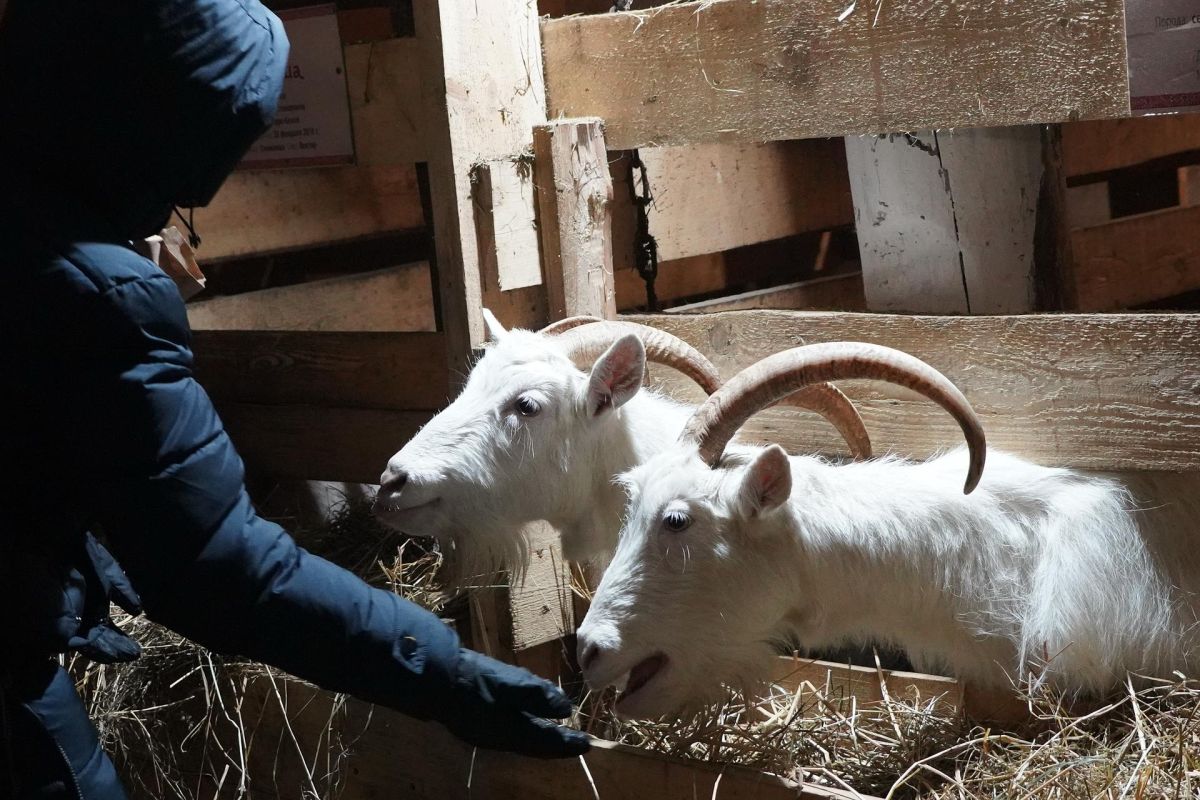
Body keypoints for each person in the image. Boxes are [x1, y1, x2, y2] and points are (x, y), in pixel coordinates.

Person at [0, 1, 589, 797]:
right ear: (160, 132)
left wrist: (75, 558)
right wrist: (442, 672)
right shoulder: (98, 297)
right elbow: (218, 567)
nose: (192, 198)